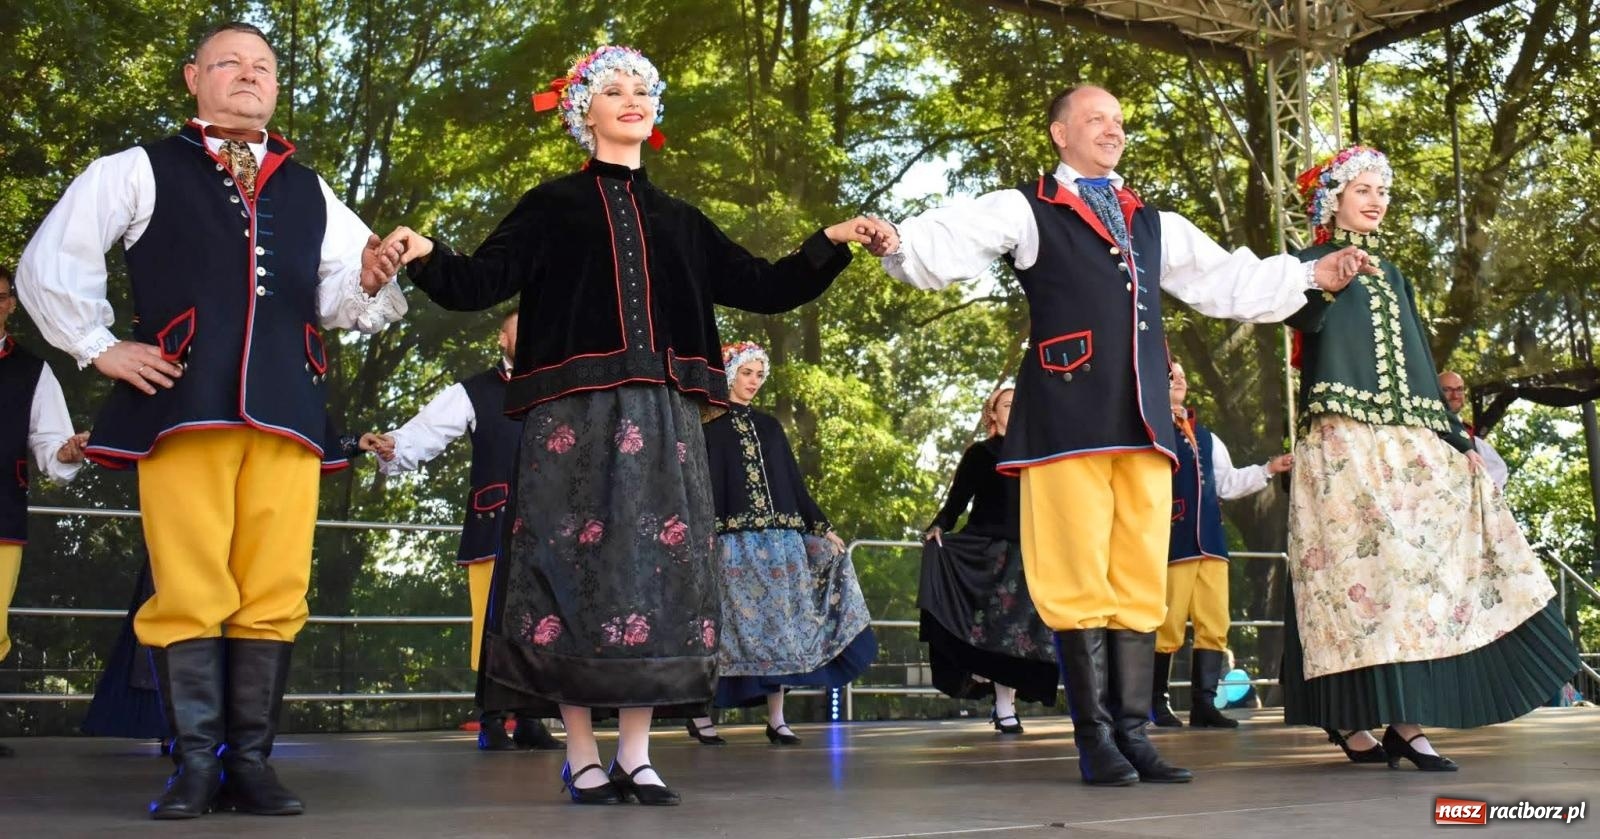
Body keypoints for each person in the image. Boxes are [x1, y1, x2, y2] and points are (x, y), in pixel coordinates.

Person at [378, 45, 883, 805]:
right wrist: (422, 252)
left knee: (660, 576)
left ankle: (637, 754)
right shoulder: (551, 205)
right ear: (584, 112)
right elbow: (479, 280)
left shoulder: (680, 220)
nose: (631, 98)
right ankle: (581, 751)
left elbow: (765, 283)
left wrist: (832, 241)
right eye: (612, 89)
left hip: (666, 418)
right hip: (572, 419)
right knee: (573, 576)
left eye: (642, 89)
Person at [872, 84, 1374, 786]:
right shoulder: (1028, 207)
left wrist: (1312, 273)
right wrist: (900, 240)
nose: (1113, 129)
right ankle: (1094, 739)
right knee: (1078, 580)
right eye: (1096, 118)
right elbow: (954, 238)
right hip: (1066, 424)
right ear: (1059, 133)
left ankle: (1136, 733)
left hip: (1143, 426)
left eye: (1119, 120)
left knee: (1140, 581)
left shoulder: (1152, 220)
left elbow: (1224, 278)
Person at [15, 21, 406, 817]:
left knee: (275, 584)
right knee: (189, 581)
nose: (248, 75)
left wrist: (367, 278)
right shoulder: (136, 168)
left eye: (262, 66)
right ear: (193, 77)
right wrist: (100, 347)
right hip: (181, 406)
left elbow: (341, 299)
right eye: (229, 63)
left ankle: (252, 764)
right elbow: (51, 261)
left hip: (289, 413)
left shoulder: (310, 187)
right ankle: (194, 764)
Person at [1280, 145, 1579, 771]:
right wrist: (1325, 278)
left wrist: (1455, 438)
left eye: (1381, 192)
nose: (1375, 201)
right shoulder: (1308, 265)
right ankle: (1352, 717)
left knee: (1412, 577)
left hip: (1402, 441)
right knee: (1352, 584)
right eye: (1362, 189)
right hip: (1342, 441)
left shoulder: (1394, 276)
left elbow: (1418, 364)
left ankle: (1407, 724)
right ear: (1332, 197)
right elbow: (1298, 318)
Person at [360, 311, 560, 751]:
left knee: (543, 623)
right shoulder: (473, 392)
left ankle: (531, 719)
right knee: (491, 624)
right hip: (493, 524)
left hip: (548, 529)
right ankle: (491, 719)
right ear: (501, 339)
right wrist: (396, 444)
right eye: (519, 331)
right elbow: (424, 433)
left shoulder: (560, 390)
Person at [684, 342, 875, 747]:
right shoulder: (703, 425)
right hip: (730, 544)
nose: (753, 381)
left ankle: (777, 717)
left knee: (782, 628)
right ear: (728, 373)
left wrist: (820, 526)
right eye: (746, 373)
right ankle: (701, 714)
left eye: (759, 375)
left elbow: (794, 483)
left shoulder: (770, 427)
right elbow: (696, 487)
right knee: (723, 629)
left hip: (780, 544)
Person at [1151, 361, 1290, 729]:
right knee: (1167, 621)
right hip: (1172, 539)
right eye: (1171, 375)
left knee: (1215, 622)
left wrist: (1268, 470)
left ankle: (1204, 705)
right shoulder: (1148, 428)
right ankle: (1156, 702)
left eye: (1182, 375)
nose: (1180, 379)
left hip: (1211, 542)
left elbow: (1227, 483)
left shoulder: (1208, 436)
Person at [919, 384, 1057, 734]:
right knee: (996, 630)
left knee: (1019, 634)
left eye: (1019, 404)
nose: (1014, 409)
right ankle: (1003, 706)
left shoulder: (1038, 455)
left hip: (1029, 555)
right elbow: (957, 500)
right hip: (987, 552)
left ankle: (1005, 704)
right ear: (992, 414)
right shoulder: (981, 454)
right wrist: (939, 526)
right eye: (1006, 404)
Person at [0, 266, 90, 759]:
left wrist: (70, 452)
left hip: (2, 515)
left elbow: (50, 445)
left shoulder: (33, 370)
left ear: (11, 304)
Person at [1438, 371, 1509, 490]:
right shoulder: (1422, 424)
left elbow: (1497, 475)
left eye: (1459, 389)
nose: (1455, 395)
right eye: (1447, 390)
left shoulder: (1473, 438)